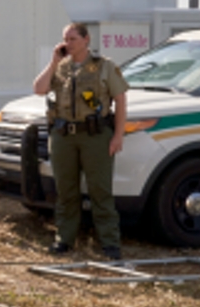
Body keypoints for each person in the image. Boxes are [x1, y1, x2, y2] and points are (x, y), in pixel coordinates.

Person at [32, 22, 129, 260]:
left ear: (87, 39)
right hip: (64, 136)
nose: (68, 43)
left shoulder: (104, 66)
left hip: (95, 136)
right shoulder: (61, 68)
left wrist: (118, 135)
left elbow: (121, 101)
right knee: (66, 191)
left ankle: (109, 243)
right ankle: (64, 239)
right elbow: (39, 89)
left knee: (100, 191)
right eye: (65, 38)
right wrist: (54, 61)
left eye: (73, 38)